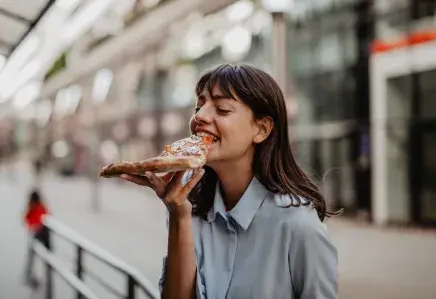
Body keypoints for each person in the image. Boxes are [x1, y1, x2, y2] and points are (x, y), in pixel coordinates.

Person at [120, 64, 340, 299]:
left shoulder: (298, 225)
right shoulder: (189, 208)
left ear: (262, 129)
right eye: (199, 106)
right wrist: (179, 216)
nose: (200, 116)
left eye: (222, 109)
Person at [23, 189, 50, 288]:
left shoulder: (32, 207)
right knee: (44, 255)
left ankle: (30, 275)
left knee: (33, 256)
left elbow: (26, 219)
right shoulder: (40, 207)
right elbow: (47, 216)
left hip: (36, 233)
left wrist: (32, 226)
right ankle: (37, 276)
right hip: (43, 233)